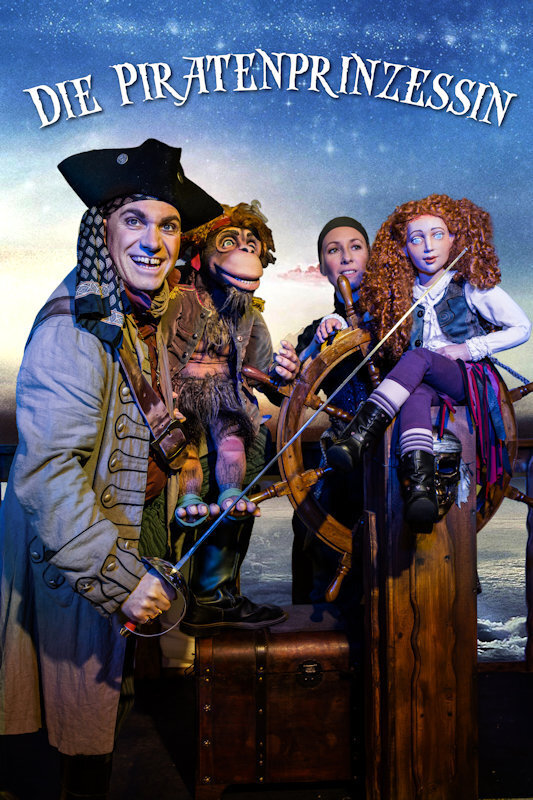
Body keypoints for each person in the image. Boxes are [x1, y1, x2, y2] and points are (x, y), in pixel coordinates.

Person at [0, 139, 222, 800]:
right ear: (101, 229)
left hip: (111, 541)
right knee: (76, 735)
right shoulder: (72, 327)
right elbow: (49, 476)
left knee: (98, 713)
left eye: (168, 225)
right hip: (74, 563)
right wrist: (121, 579)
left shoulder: (130, 312)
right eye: (134, 220)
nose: (154, 241)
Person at [327, 194, 531, 532]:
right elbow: (363, 327)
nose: (428, 246)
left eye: (437, 234)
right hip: (428, 382)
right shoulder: (400, 293)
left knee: (418, 357)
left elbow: (522, 327)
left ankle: (359, 435)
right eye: (416, 239)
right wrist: (331, 321)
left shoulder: (469, 287)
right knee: (415, 395)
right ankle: (421, 490)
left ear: (454, 238)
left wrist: (469, 348)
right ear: (403, 249)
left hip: (467, 380)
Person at [164, 201, 299, 635]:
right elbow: (157, 354)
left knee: (236, 449)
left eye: (251, 246)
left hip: (228, 402)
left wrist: (285, 372)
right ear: (200, 253)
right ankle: (184, 605)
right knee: (185, 455)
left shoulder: (249, 313)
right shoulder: (175, 300)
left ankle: (214, 596)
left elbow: (264, 372)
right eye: (229, 242)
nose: (243, 253)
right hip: (179, 405)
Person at [291, 217, 373, 616]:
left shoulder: (404, 317)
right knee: (311, 526)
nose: (346, 257)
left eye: (356, 247)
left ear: (371, 257)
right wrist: (311, 350)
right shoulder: (316, 332)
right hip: (341, 463)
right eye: (333, 250)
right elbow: (288, 386)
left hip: (398, 458)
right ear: (322, 266)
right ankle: (316, 633)